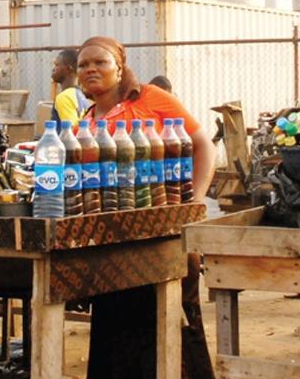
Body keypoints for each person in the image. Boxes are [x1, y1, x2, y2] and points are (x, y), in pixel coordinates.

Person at [76, 36, 216, 379]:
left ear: (119, 67)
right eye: (83, 65)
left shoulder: (151, 98)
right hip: (111, 242)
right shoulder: (88, 117)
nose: (90, 69)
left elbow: (203, 144)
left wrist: (194, 201)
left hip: (161, 235)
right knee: (116, 325)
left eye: (100, 62)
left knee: (174, 323)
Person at [51, 49, 90, 125]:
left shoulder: (64, 97)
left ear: (68, 69)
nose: (53, 69)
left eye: (56, 65)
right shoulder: (80, 95)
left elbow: (70, 131)